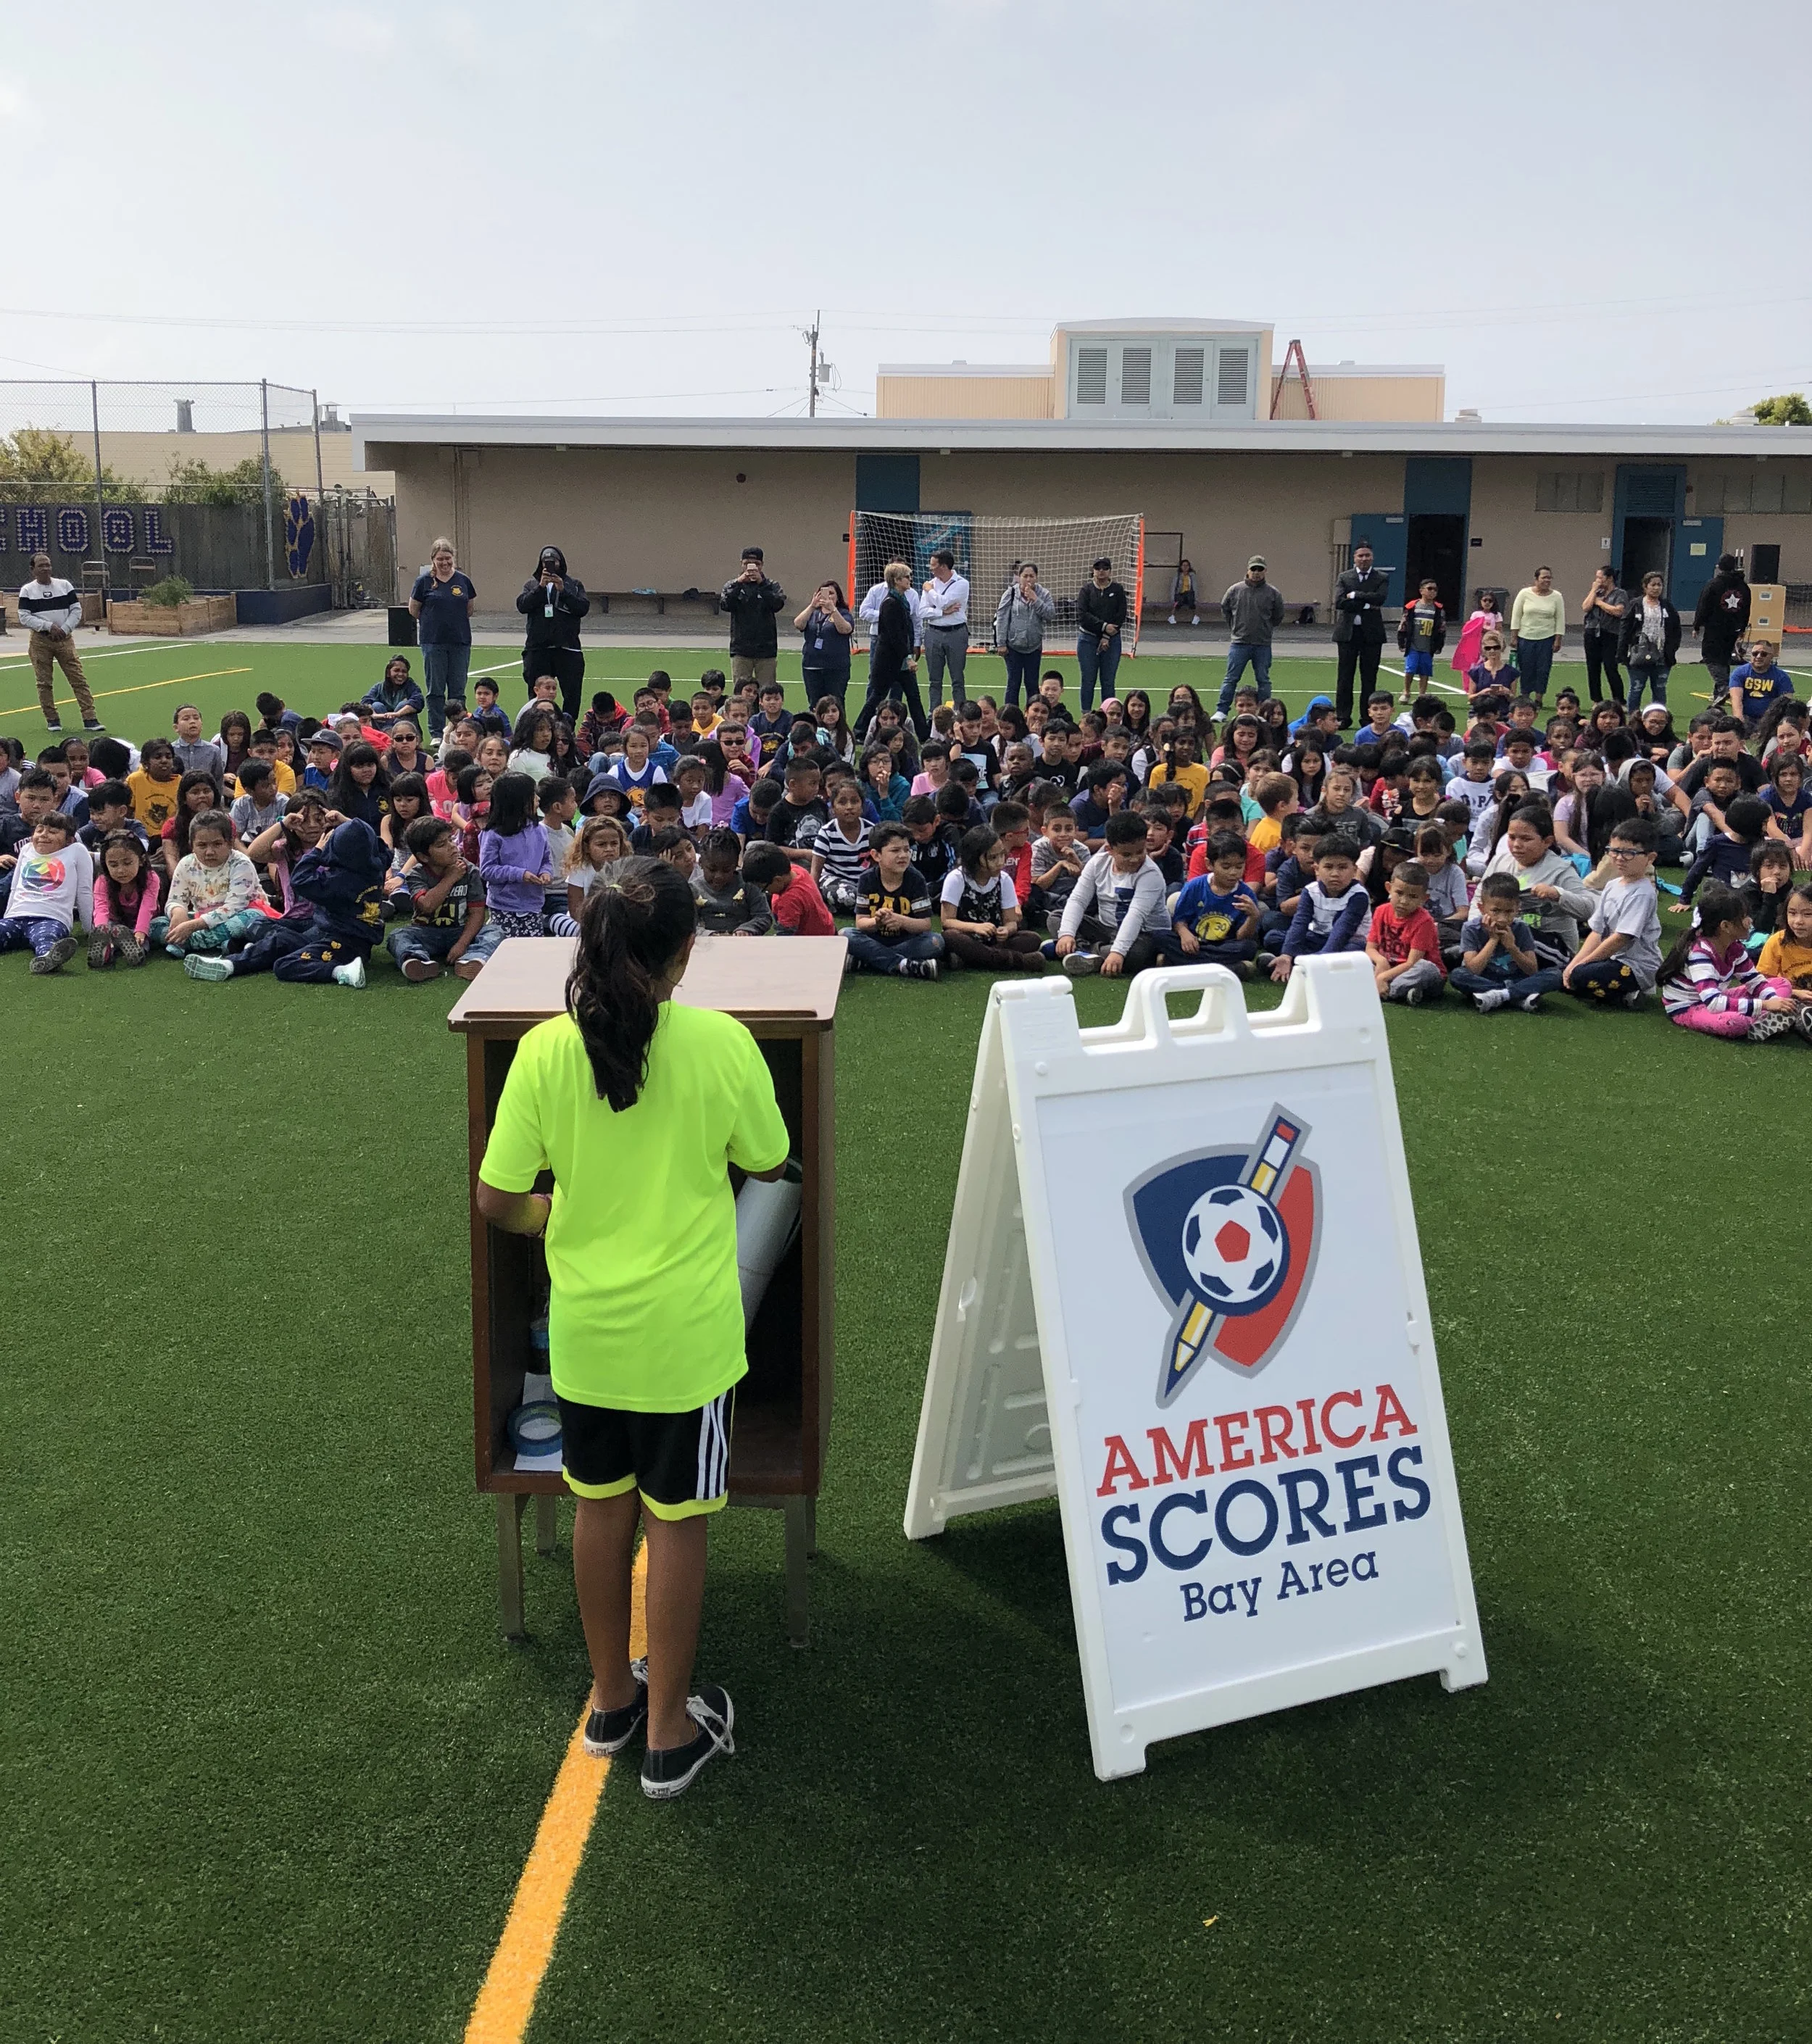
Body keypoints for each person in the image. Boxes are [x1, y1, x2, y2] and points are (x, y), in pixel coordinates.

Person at [476, 859, 786, 1798]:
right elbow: (769, 1160)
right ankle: (669, 1733)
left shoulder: (540, 1052)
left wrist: (554, 1219)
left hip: (586, 1336)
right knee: (679, 1522)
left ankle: (612, 1697)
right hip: (685, 1342)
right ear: (686, 954)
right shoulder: (723, 1045)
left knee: (598, 1507)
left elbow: (496, 1200)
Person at [1659, 881, 1803, 1042]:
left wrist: (1774, 1000)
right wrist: (1765, 1005)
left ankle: (1768, 1020)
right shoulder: (1700, 954)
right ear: (1726, 926)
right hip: (1690, 1007)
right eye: (1744, 917)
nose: (1750, 921)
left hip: (1716, 998)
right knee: (1735, 1023)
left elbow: (1755, 981)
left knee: (1782, 984)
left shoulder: (1734, 948)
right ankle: (1762, 1022)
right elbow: (1714, 1003)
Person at [1052, 810, 1170, 976]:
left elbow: (1136, 915)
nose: (1135, 859)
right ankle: (1088, 951)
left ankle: (1083, 952)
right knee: (1056, 918)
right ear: (1110, 850)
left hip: (1144, 934)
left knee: (1137, 954)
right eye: (1127, 855)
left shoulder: (1150, 874)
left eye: (1140, 851)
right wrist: (1066, 934)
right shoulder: (1097, 863)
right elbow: (1078, 900)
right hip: (1106, 928)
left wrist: (1118, 952)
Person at [386, 815, 500, 981]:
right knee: (397, 936)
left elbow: (477, 913)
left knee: (495, 931)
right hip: (426, 932)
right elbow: (427, 906)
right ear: (424, 857)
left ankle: (472, 959)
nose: (452, 847)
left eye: (451, 840)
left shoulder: (470, 871)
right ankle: (418, 960)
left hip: (460, 931)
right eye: (442, 845)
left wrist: (462, 944)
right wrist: (450, 878)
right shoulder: (417, 874)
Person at [1563, 819, 1663, 1007]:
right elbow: (1597, 931)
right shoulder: (1611, 886)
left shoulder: (1643, 892)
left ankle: (1628, 994)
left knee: (1580, 975)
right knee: (1564, 972)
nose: (1619, 858)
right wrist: (1576, 962)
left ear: (1650, 858)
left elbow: (1621, 938)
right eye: (1614, 851)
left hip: (1636, 967)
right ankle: (1604, 990)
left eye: (1629, 853)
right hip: (1611, 958)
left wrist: (1583, 964)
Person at [154, 808, 265, 959]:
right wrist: (178, 912)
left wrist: (192, 927)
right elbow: (175, 899)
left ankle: (185, 942)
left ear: (230, 843)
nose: (209, 852)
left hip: (238, 915)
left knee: (253, 917)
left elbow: (234, 907)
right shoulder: (186, 864)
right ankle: (225, 944)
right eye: (202, 845)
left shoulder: (241, 863)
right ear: (191, 845)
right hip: (202, 918)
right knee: (155, 924)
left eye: (217, 844)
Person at [18, 553, 102, 734]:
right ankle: (52, 719)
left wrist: (65, 629)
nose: (45, 569)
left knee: (78, 679)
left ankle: (90, 718)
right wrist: (48, 626)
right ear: (33, 570)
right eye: (41, 566)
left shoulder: (64, 586)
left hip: (65, 639)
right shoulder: (27, 590)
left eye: (48, 565)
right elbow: (24, 616)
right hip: (41, 640)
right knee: (44, 682)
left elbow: (76, 610)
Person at [846, 822, 942, 979]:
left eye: (906, 850)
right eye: (895, 850)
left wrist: (900, 920)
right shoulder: (867, 879)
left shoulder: (916, 879)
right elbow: (860, 923)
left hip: (906, 941)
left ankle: (867, 962)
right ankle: (904, 965)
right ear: (876, 855)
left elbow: (925, 925)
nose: (903, 855)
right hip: (875, 938)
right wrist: (877, 922)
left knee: (935, 942)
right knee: (846, 935)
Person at [0, 809, 91, 971]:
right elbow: (15, 886)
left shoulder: (76, 851)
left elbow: (84, 891)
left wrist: (89, 929)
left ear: (69, 840)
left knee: (46, 937)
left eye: (53, 832)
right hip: (16, 917)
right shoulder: (27, 849)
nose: (43, 835)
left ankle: (47, 959)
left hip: (52, 918)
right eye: (39, 830)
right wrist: (9, 914)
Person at [1271, 834, 1371, 979]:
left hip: (1348, 942)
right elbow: (1300, 923)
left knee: (1354, 952)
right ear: (1317, 869)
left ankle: (1303, 967)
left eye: (1343, 867)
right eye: (1328, 867)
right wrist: (1287, 954)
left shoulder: (1358, 895)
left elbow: (1342, 930)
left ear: (1354, 870)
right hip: (1317, 938)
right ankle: (1289, 963)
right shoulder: (1310, 891)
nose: (1335, 874)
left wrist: (1319, 961)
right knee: (1274, 938)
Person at [408, 537, 477, 738]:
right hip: (433, 642)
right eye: (440, 559)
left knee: (458, 690)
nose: (445, 563)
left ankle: (459, 731)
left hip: (460, 642)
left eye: (448, 559)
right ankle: (437, 732)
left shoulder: (463, 580)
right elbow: (414, 609)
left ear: (453, 558)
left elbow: (469, 608)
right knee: (436, 690)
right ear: (433, 560)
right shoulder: (424, 582)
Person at [1170, 831, 1266, 976]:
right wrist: (1185, 934)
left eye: (1239, 867)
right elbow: (1179, 920)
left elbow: (1241, 937)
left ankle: (1185, 964)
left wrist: (1253, 917)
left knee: (1248, 947)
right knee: (1161, 937)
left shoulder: (1246, 894)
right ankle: (1227, 968)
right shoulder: (1195, 886)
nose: (1233, 872)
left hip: (1225, 945)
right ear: (1210, 864)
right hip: (1194, 943)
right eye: (1226, 867)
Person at [478, 772, 554, 940]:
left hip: (533, 904)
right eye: (532, 795)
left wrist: (546, 872)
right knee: (506, 949)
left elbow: (546, 859)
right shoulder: (493, 834)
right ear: (517, 801)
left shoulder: (539, 830)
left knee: (532, 949)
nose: (538, 799)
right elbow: (487, 870)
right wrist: (520, 874)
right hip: (504, 905)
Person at [855, 562, 926, 739]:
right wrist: (908, 657)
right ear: (896, 580)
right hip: (888, 661)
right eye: (906, 577)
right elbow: (895, 636)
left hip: (899, 660)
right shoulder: (890, 604)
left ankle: (924, 734)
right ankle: (859, 730)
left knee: (913, 697)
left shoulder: (901, 601)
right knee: (877, 696)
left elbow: (905, 632)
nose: (910, 579)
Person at [517, 544, 590, 718]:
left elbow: (582, 608)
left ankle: (567, 728)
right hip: (538, 649)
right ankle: (537, 723)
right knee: (537, 694)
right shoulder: (531, 584)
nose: (549, 565)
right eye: (545, 562)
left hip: (568, 648)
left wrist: (563, 591)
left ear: (561, 562)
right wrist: (541, 588)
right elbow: (522, 605)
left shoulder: (574, 585)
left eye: (553, 561)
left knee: (572, 694)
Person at [1366, 860, 1445, 1006]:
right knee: (1362, 962)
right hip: (1389, 967)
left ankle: (1383, 990)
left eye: (1413, 897)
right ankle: (1400, 991)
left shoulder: (1424, 921)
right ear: (1389, 888)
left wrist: (1383, 977)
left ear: (1424, 898)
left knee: (1425, 968)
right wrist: (1381, 961)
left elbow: (1412, 962)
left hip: (1416, 971)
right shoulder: (1380, 911)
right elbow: (1370, 948)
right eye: (1399, 893)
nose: (1404, 901)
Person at [1331, 539, 1389, 727]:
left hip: (1372, 634)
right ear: (1354, 558)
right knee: (1345, 677)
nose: (1364, 559)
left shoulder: (1381, 577)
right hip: (1347, 634)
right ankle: (1343, 716)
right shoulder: (1344, 577)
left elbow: (1380, 599)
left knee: (1369, 678)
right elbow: (1340, 602)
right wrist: (1367, 604)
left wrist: (1355, 595)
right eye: (1360, 556)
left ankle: (1367, 717)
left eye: (1367, 556)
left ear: (1372, 558)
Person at [1216, 556, 1286, 714]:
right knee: (1231, 678)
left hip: (1263, 644)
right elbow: (1225, 609)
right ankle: (1222, 711)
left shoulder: (1273, 593)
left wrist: (1266, 628)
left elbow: (1278, 616)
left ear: (1265, 571)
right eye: (1253, 569)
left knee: (1263, 680)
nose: (1256, 573)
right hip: (1239, 643)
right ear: (1248, 570)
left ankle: (1264, 711)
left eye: (1260, 569)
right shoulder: (1235, 590)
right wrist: (1235, 626)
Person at [88, 830, 161, 969]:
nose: (121, 870)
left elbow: (148, 907)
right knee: (106, 926)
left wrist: (140, 931)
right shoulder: (102, 881)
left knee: (157, 926)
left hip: (145, 922)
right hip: (115, 923)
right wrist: (101, 930)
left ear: (141, 860)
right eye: (114, 865)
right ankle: (106, 949)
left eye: (127, 863)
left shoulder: (151, 878)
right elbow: (101, 909)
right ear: (105, 865)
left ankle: (137, 950)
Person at [720, 547, 786, 691]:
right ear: (741, 564)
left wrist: (762, 584)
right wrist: (739, 583)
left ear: (762, 565)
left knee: (767, 692)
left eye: (756, 563)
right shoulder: (733, 585)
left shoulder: (771, 585)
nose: (752, 567)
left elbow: (777, 604)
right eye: (747, 563)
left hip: (766, 650)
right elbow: (725, 605)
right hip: (741, 649)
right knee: (741, 692)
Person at [1618, 572, 1681, 715]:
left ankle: (1658, 717)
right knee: (1636, 688)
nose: (1656, 588)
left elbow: (1676, 629)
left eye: (1659, 585)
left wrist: (1672, 650)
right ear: (1645, 587)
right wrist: (1622, 653)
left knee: (1660, 689)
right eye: (1653, 585)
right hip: (1639, 655)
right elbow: (1625, 629)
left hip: (1662, 657)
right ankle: (1634, 718)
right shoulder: (1635, 605)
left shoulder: (1667, 606)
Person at [741, 839, 835, 935]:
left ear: (778, 880)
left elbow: (785, 937)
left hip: (817, 942)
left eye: (764, 889)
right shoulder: (796, 870)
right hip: (827, 928)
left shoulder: (789, 901)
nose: (766, 892)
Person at [994, 564, 1055, 709]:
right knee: (1013, 683)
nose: (1028, 579)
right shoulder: (1011, 593)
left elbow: (1050, 615)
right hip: (1013, 647)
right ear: (1019, 577)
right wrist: (1000, 642)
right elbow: (1002, 617)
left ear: (1036, 577)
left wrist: (1036, 600)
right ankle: (1010, 715)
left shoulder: (1044, 594)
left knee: (1032, 683)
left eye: (1031, 576)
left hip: (1033, 647)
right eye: (1025, 576)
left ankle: (1033, 714)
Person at [1693, 552, 1751, 704]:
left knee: (1710, 657)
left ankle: (1724, 686)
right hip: (1733, 629)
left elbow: (1703, 605)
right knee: (1725, 658)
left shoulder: (1714, 584)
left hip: (1715, 628)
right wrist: (1742, 627)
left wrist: (1697, 625)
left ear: (1719, 567)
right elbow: (1746, 608)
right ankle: (1718, 692)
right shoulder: (1743, 586)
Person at [918, 549, 971, 707]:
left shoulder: (961, 584)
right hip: (933, 633)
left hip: (956, 632)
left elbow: (944, 601)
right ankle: (934, 713)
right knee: (934, 679)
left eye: (934, 565)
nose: (931, 568)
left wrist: (931, 592)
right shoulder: (931, 583)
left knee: (957, 678)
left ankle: (960, 711)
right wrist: (942, 612)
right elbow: (922, 611)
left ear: (944, 566)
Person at [794, 581, 855, 716]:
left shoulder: (843, 613)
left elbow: (846, 629)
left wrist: (833, 609)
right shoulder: (813, 613)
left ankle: (839, 732)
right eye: (823, 593)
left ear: (838, 596)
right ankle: (818, 732)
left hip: (836, 667)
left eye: (832, 593)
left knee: (836, 702)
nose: (828, 596)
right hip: (812, 666)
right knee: (815, 704)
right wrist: (812, 606)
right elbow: (798, 624)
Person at [1076, 557, 1129, 712]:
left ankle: (1108, 715)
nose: (1101, 571)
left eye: (1105, 568)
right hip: (1088, 639)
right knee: (1088, 680)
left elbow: (1121, 615)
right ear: (1093, 570)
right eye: (1098, 568)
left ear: (1110, 571)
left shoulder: (1117, 590)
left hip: (1112, 641)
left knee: (1108, 681)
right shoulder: (1086, 590)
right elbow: (1083, 616)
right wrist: (1104, 627)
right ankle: (1086, 715)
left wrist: (1107, 636)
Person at [1508, 566, 1566, 705]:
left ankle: (1539, 699)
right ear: (1536, 579)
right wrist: (1514, 636)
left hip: (1547, 638)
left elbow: (1560, 619)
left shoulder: (1557, 596)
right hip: (1525, 638)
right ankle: (1525, 697)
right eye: (1544, 577)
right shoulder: (1524, 594)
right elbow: (1516, 616)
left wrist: (1558, 639)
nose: (1547, 580)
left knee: (1543, 669)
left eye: (1549, 577)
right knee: (1526, 668)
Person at [1579, 566, 1628, 706]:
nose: (1598, 580)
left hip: (1610, 634)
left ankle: (1619, 699)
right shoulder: (1596, 592)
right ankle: (1596, 699)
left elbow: (1619, 611)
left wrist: (1600, 603)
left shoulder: (1620, 594)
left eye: (1600, 578)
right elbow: (1585, 607)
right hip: (1592, 632)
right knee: (1593, 667)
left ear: (1610, 578)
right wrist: (1594, 591)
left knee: (1610, 666)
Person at [1395, 578, 1446, 691]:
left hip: (1428, 645)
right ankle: (1406, 691)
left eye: (1435, 589)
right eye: (1429, 589)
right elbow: (1403, 625)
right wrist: (1402, 642)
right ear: (1421, 591)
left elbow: (1442, 629)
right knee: (1410, 669)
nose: (1432, 592)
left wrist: (1439, 645)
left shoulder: (1438, 609)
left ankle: (1422, 694)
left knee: (1425, 670)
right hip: (1413, 644)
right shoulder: (1412, 606)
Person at [1729, 639, 1795, 726]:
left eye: (1764, 654)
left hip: (1771, 721)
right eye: (1755, 654)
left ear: (1771, 657)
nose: (1759, 656)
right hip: (1746, 719)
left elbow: (1786, 703)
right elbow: (1736, 699)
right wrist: (1739, 721)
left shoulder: (1782, 677)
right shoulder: (1739, 673)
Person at [362, 655, 425, 734]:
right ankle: (388, 735)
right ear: (388, 673)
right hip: (383, 726)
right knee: (376, 706)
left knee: (403, 705)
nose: (401, 674)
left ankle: (396, 735)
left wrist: (397, 714)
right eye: (396, 670)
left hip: (404, 730)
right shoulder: (379, 687)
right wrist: (375, 715)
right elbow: (365, 701)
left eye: (404, 671)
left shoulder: (411, 686)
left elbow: (418, 701)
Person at [1168, 558, 1200, 626]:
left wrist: (1196, 597)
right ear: (1181, 567)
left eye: (1187, 566)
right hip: (1180, 593)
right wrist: (1172, 597)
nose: (1185, 567)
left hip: (1189, 593)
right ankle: (1172, 616)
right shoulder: (1178, 575)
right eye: (1183, 566)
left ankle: (1196, 617)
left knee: (1192, 601)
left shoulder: (1192, 575)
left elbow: (1195, 586)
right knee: (1178, 602)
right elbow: (1174, 586)